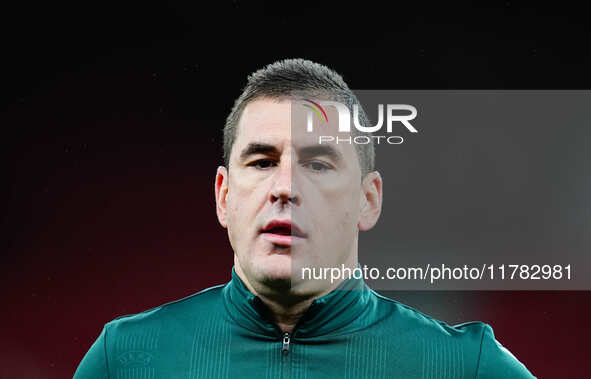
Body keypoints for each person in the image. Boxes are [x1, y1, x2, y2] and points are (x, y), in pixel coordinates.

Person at [74, 59, 536, 378]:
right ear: (223, 195)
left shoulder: (466, 366)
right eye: (261, 161)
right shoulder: (126, 359)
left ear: (367, 200)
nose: (286, 187)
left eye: (318, 163)